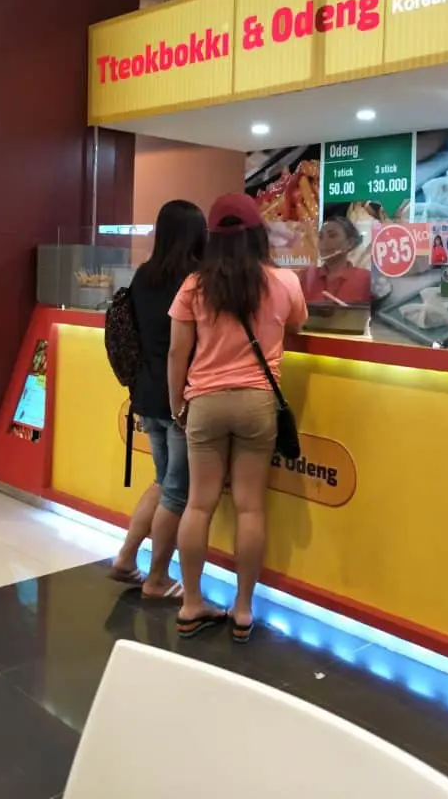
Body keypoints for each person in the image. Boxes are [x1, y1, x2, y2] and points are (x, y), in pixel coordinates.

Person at [168, 193, 307, 642]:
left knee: (199, 504)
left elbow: (177, 352)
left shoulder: (194, 285)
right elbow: (298, 326)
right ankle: (243, 611)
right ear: (257, 234)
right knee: (249, 505)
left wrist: (177, 404)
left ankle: (191, 603)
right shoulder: (283, 281)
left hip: (205, 402)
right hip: (256, 402)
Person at [110, 200, 207, 599]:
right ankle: (157, 578)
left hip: (144, 393)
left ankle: (126, 557)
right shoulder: (196, 281)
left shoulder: (143, 275)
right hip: (180, 394)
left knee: (163, 482)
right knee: (176, 493)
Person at [299, 216, 370, 305]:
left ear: (350, 243)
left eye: (332, 236)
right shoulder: (307, 277)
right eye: (320, 237)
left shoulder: (365, 279)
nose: (324, 242)